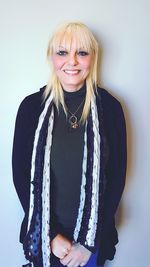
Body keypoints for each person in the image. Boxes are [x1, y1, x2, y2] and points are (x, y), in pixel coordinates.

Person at [12, 22, 127, 267]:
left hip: (91, 241)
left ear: (92, 58)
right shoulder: (31, 108)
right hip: (44, 236)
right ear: (51, 57)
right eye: (62, 52)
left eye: (82, 52)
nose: (72, 61)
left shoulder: (111, 108)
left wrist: (87, 243)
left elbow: (117, 177)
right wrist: (51, 235)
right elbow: (20, 176)